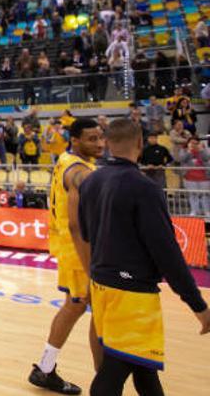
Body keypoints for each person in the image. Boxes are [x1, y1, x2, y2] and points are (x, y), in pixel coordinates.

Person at [78, 119, 210, 396]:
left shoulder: (91, 181)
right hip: (131, 294)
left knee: (143, 369)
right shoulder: (144, 187)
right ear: (140, 143)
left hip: (102, 286)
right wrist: (198, 305)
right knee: (111, 376)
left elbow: (86, 233)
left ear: (108, 143)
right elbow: (167, 253)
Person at [29, 118, 104, 394]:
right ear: (75, 140)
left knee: (75, 307)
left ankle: (45, 368)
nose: (99, 143)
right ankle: (104, 383)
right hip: (80, 250)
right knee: (99, 313)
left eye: (100, 137)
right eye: (91, 139)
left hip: (71, 247)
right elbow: (76, 217)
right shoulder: (78, 170)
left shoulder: (67, 158)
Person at [177, 136, 210, 217]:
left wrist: (201, 150)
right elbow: (181, 159)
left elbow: (207, 158)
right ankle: (194, 211)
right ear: (188, 143)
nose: (194, 145)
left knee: (205, 195)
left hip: (204, 177)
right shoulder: (184, 150)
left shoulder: (203, 149)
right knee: (193, 194)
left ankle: (206, 211)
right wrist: (189, 151)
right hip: (190, 177)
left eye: (196, 143)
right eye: (192, 143)